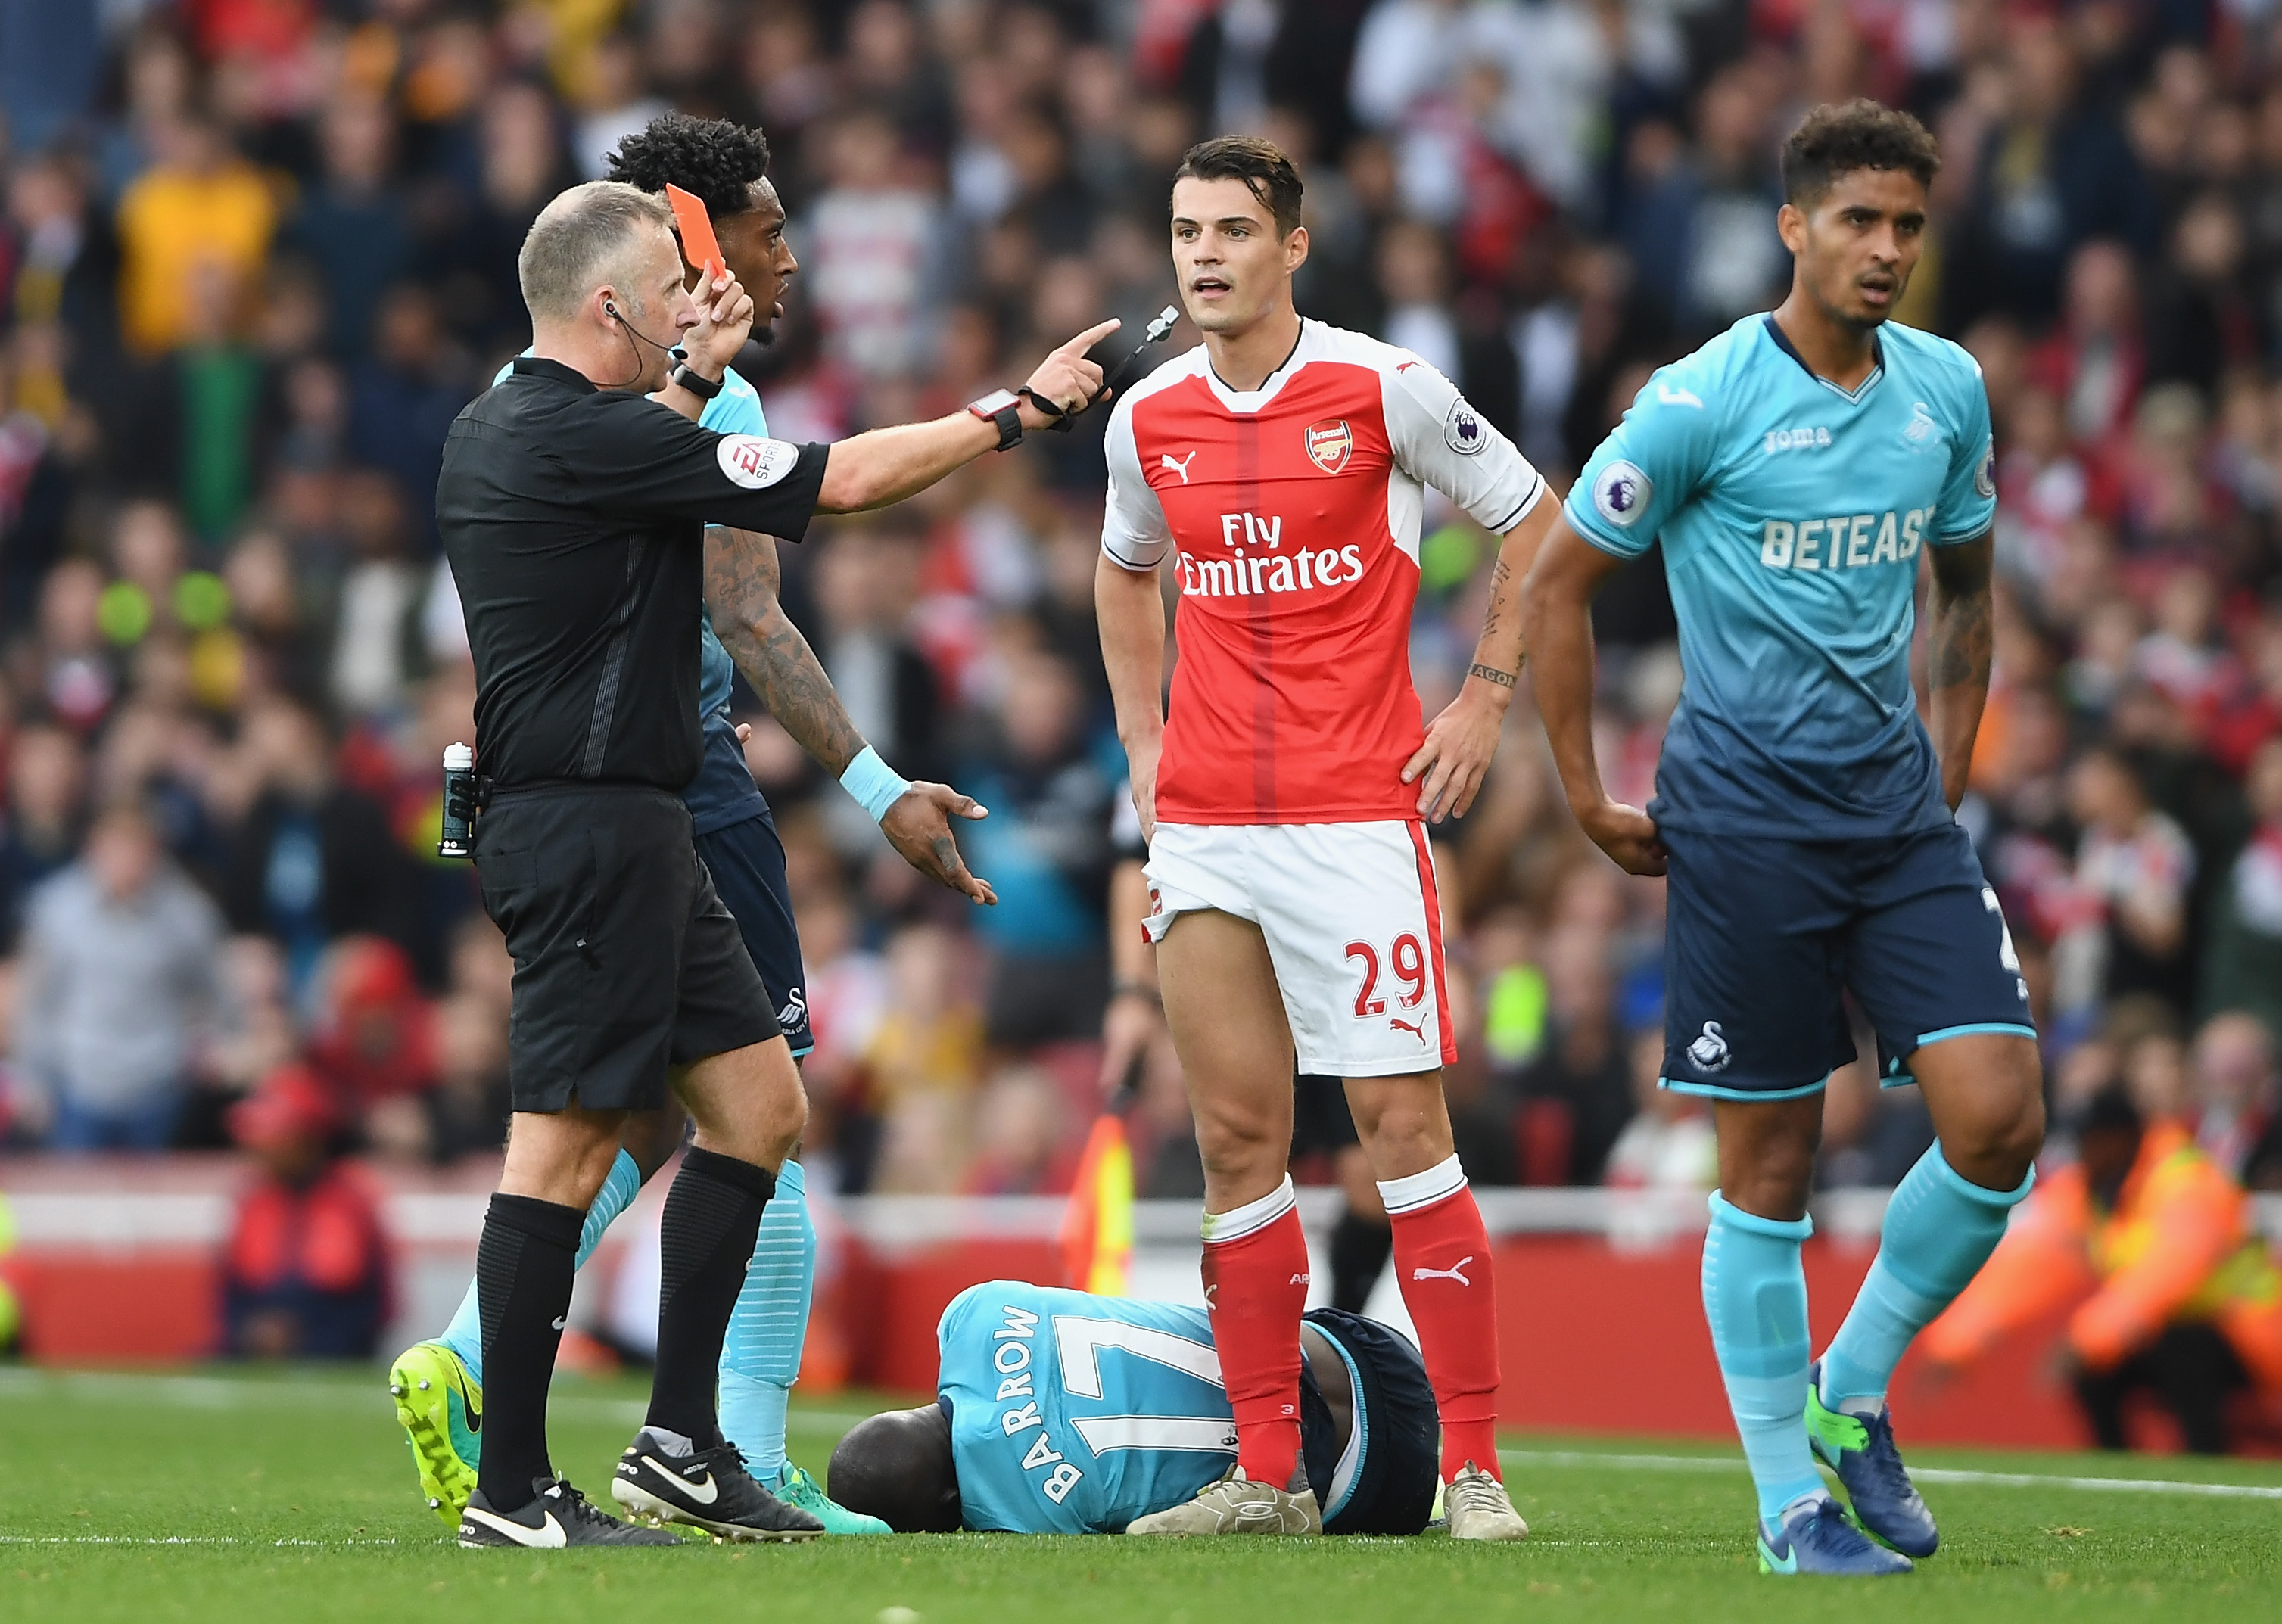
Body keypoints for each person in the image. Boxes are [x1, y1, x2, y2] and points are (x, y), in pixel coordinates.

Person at [437, 176, 1110, 1549]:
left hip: (637, 819)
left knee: (759, 1107)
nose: (699, 303)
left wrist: (691, 375)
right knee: (563, 1149)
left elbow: (657, 463)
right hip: (582, 827)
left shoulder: (526, 428)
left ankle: (682, 1444)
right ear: (611, 305)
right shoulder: (583, 436)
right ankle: (510, 1492)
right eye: (670, 289)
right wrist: (1015, 412)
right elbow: (847, 478)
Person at [1519, 101, 2047, 1577]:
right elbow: (1557, 584)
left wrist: (1942, 772)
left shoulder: (1944, 390)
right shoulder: (1696, 403)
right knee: (1767, 1169)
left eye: (1906, 226)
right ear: (1793, 229)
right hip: (1741, 827)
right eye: (1859, 221)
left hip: (1891, 819)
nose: (1884, 249)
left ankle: (1848, 1390)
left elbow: (1964, 589)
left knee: (1999, 1111)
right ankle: (1785, 1509)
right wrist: (1580, 788)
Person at [1093, 135, 1552, 1541]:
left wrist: (1482, 698)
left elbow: (1534, 524)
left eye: (1233, 228)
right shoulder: (1148, 417)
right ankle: (1266, 1476)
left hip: (1359, 820)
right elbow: (1124, 571)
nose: (1205, 254)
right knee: (1237, 1142)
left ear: (1295, 245)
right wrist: (1144, 746)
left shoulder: (1382, 388)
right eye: (1186, 231)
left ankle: (1473, 1470)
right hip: (1210, 828)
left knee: (1400, 1130)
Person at [826, 1280, 1439, 1536]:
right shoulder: (974, 1312)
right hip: (1365, 1348)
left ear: (944, 1506)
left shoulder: (1021, 1512)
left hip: (1380, 1482)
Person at [1922, 1086, 2282, 1454]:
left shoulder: (2189, 1181)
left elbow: (2162, 1276)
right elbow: (2032, 1263)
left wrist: (2087, 1341)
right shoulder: (2090, 1189)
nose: (2080, 1155)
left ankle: (2207, 1462)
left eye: (2088, 1142)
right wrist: (1954, 1346)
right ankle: (2117, 1470)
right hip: (2175, 1335)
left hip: (2256, 1338)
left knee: (2178, 1347)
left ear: (2120, 1139)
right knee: (2100, 1369)